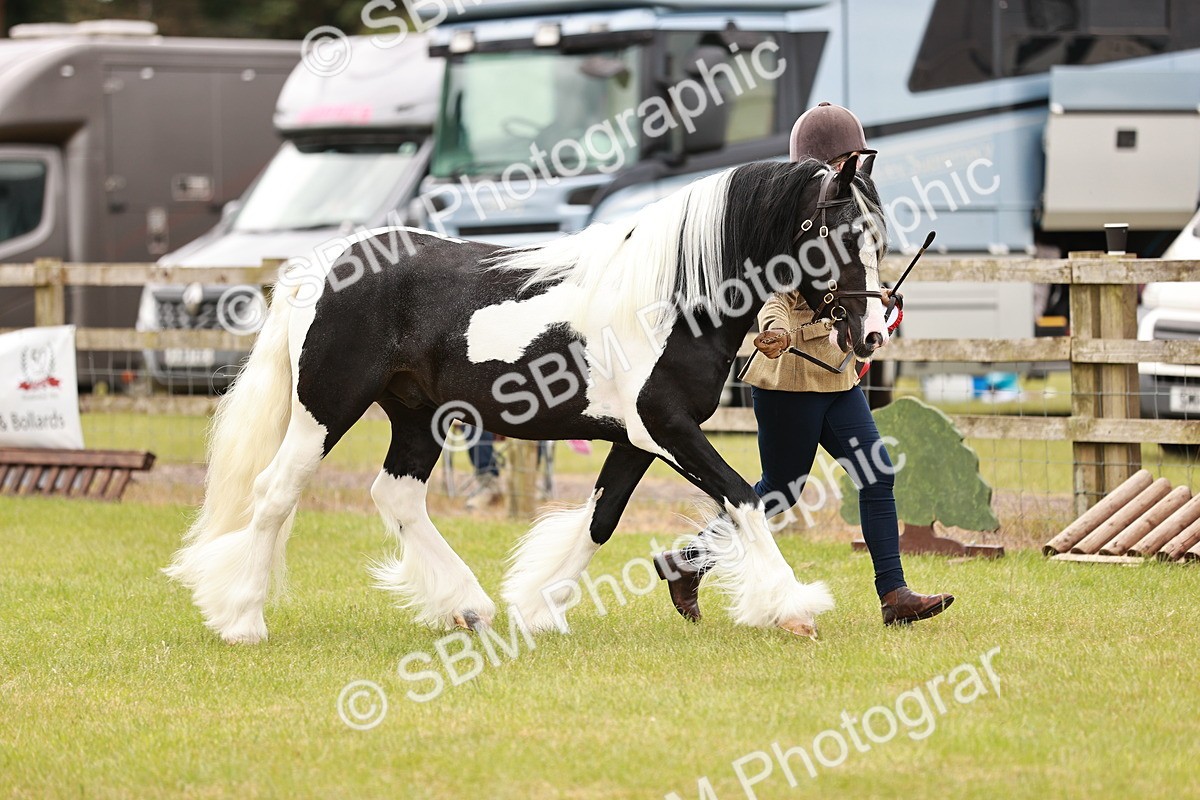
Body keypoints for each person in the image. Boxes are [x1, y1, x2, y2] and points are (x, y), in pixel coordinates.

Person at [654, 102, 954, 627]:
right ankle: (689, 561)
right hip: (788, 381)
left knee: (875, 472)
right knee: (781, 489)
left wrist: (878, 307)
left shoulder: (847, 217)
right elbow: (779, 294)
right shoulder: (792, 221)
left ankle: (894, 595)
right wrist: (775, 331)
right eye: (847, 159)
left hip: (836, 377)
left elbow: (854, 281)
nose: (854, 169)